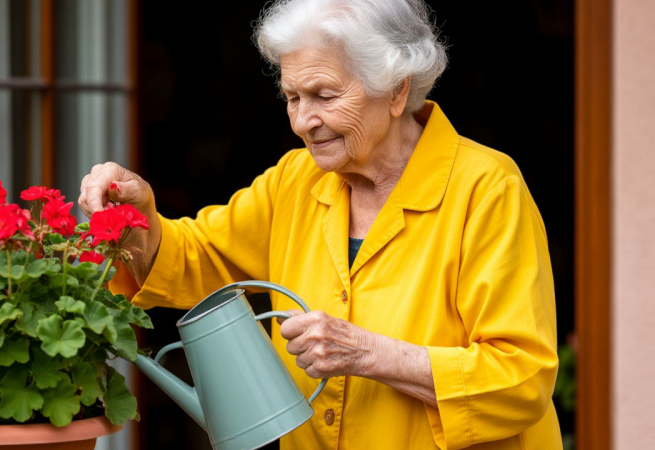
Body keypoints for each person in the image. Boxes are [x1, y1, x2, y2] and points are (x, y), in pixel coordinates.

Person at [79, 0, 562, 448]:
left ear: (396, 90)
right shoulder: (295, 179)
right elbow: (195, 259)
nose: (303, 122)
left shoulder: (486, 188)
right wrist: (137, 218)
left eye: (324, 96)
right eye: (292, 97)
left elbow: (521, 380)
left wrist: (367, 353)